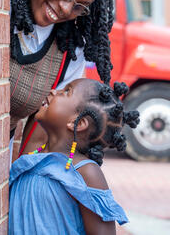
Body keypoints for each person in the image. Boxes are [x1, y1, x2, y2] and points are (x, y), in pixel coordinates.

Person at [9, 0, 115, 155]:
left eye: (79, 6)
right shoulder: (1, 4)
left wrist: (21, 181)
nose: (67, 9)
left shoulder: (68, 52)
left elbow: (40, 131)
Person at [8, 78, 140, 234]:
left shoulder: (86, 172)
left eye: (66, 91)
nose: (53, 92)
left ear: (79, 122)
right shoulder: (33, 153)